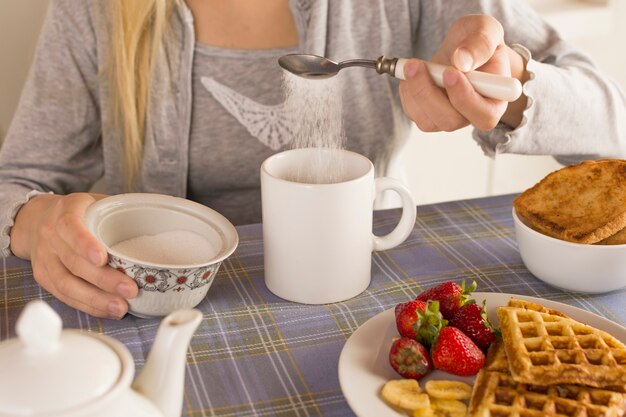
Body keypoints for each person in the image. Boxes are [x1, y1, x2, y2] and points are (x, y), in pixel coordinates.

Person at [1, 0, 625, 319]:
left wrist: (510, 83)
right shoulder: (96, 13)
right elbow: (16, 183)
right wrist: (37, 221)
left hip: (365, 313)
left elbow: (608, 119)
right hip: (159, 317)